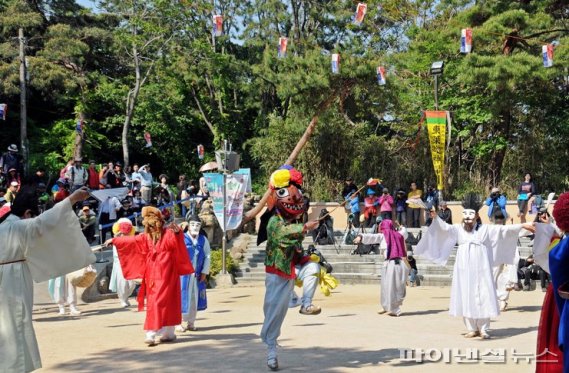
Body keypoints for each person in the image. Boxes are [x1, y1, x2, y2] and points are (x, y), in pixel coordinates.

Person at [0, 186, 95, 372]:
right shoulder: (18, 226)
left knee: (6, 324)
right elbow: (47, 221)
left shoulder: (4, 226)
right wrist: (73, 198)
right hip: (13, 279)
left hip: (8, 275)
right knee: (15, 324)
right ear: (27, 213)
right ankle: (13, 367)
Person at [415, 193, 535, 339]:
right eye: (465, 215)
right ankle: (472, 328)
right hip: (464, 267)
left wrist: (523, 225)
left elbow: (504, 230)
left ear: (477, 216)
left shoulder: (485, 229)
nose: (467, 218)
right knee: (466, 294)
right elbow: (444, 227)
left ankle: (484, 328)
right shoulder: (458, 229)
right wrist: (435, 216)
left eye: (471, 215)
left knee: (483, 294)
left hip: (482, 267)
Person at [257, 165, 321, 371]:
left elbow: (295, 246)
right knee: (274, 313)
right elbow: (282, 235)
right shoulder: (274, 222)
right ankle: (271, 350)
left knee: (313, 267)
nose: (294, 199)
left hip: (292, 268)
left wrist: (305, 256)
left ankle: (306, 304)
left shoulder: (291, 219)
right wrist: (304, 227)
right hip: (277, 272)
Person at [104, 206, 194, 346]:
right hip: (154, 273)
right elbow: (132, 241)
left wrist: (178, 233)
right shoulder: (146, 237)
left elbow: (178, 241)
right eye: (149, 225)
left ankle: (167, 333)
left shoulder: (169, 233)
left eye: (153, 225)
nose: (151, 228)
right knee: (155, 301)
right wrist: (115, 241)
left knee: (167, 301)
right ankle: (153, 333)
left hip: (168, 273)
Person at [354, 219, 409, 316]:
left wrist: (401, 226)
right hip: (387, 263)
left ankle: (395, 309)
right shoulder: (386, 236)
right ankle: (385, 306)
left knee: (394, 287)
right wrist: (360, 237)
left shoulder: (398, 234)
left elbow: (404, 231)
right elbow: (371, 237)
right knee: (385, 286)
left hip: (397, 263)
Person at [178, 214, 211, 332]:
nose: (195, 227)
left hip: (197, 274)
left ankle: (191, 322)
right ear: (188, 225)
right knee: (181, 296)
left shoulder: (203, 239)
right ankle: (178, 322)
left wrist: (204, 271)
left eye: (198, 225)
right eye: (192, 224)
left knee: (194, 298)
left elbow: (207, 255)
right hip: (183, 274)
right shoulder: (181, 238)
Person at [109, 218, 137, 308]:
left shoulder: (132, 238)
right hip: (120, 263)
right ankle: (122, 299)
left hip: (131, 262)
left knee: (132, 283)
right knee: (122, 282)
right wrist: (117, 236)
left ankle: (126, 297)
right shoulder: (115, 239)